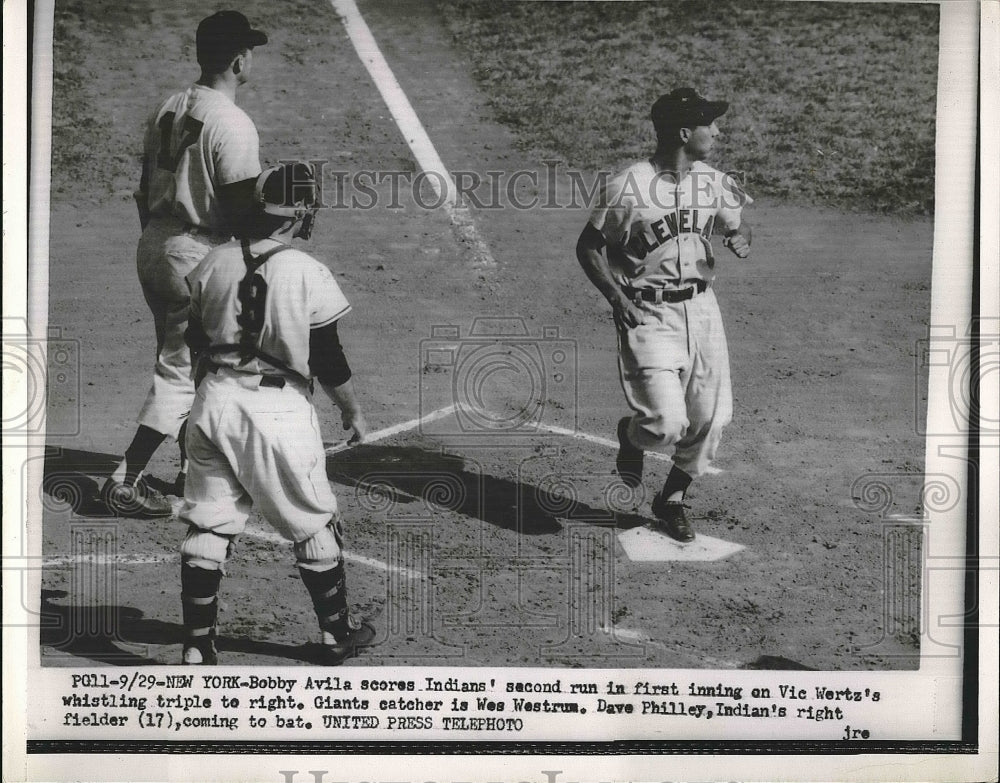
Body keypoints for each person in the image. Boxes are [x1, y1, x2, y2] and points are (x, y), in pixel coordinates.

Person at [177, 161, 375, 665]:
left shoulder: (212, 262)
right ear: (299, 213)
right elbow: (328, 358)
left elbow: (196, 341)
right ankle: (336, 637)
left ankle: (198, 647)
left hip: (214, 399)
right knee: (314, 525)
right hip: (278, 412)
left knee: (209, 522)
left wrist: (199, 409)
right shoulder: (307, 270)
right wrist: (352, 413)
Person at [102, 11, 267, 517]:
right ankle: (125, 480)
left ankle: (191, 468)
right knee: (185, 369)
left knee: (196, 363)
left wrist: (165, 249)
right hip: (196, 253)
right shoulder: (232, 122)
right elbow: (243, 212)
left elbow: (141, 191)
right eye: (250, 51)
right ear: (239, 59)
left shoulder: (166, 108)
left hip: (155, 242)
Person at [576, 87, 753, 542]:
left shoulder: (713, 180)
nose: (716, 131)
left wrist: (740, 239)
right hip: (648, 314)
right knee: (663, 425)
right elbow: (589, 247)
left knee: (713, 420)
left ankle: (671, 498)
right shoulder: (628, 185)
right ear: (683, 132)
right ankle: (630, 436)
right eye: (708, 124)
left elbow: (738, 225)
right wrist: (619, 300)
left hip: (702, 309)